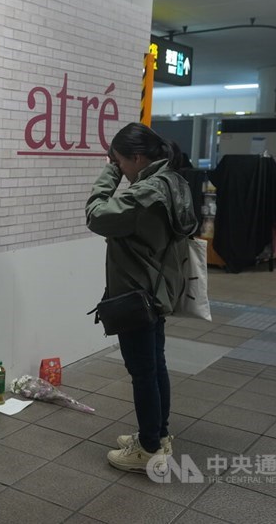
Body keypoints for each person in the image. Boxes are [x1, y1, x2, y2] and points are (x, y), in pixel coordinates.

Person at [85, 122, 197, 473]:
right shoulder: (174, 181)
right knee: (155, 365)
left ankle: (148, 448)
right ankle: (158, 434)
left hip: (137, 293)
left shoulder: (146, 193)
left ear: (135, 157)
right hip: (157, 288)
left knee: (143, 371)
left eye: (119, 161)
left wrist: (108, 174)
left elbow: (96, 215)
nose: (117, 167)